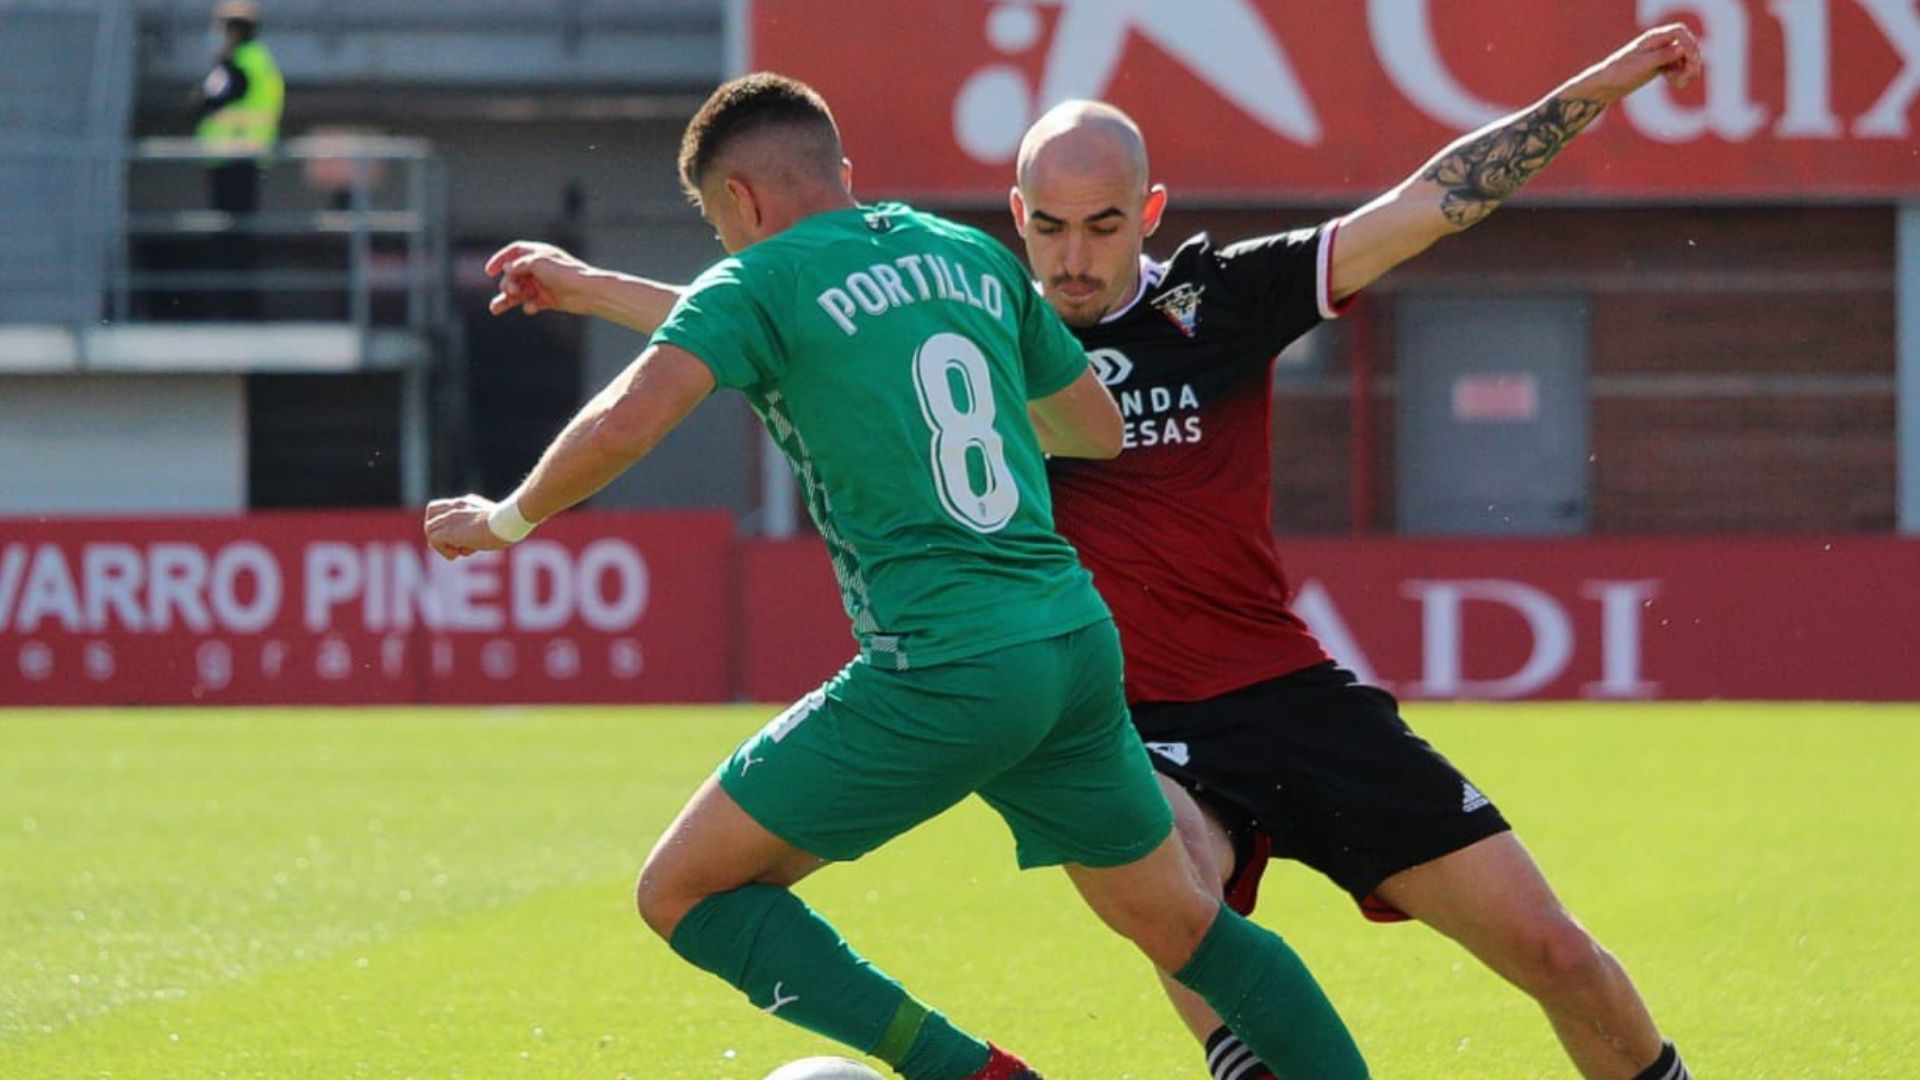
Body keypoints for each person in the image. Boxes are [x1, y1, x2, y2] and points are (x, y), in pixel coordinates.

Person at [480, 28, 1702, 1080]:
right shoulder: (971, 302)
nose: (1070, 256)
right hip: (1122, 704)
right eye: (1049, 228)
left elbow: (1433, 200)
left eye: (1103, 226)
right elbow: (783, 322)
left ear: (1149, 215)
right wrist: (597, 290)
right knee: (1185, 917)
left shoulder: (1222, 300)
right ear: (1016, 221)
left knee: (1558, 958)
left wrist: (1591, 91)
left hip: (1280, 690)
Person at [427, 73, 1369, 1080]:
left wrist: (504, 518)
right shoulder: (965, 255)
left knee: (683, 893)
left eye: (716, 224)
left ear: (740, 202)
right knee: (1191, 928)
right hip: (1072, 646)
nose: (725, 246)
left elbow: (628, 418)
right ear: (839, 171)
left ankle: (974, 1074)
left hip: (942, 668)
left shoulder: (759, 281)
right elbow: (1094, 426)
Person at [191, 0, 283, 318]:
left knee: (231, 241)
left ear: (233, 30)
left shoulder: (238, 65)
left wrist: (202, 98)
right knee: (240, 238)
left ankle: (236, 310)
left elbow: (205, 105)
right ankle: (242, 308)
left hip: (234, 159)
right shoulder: (257, 61)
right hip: (243, 158)